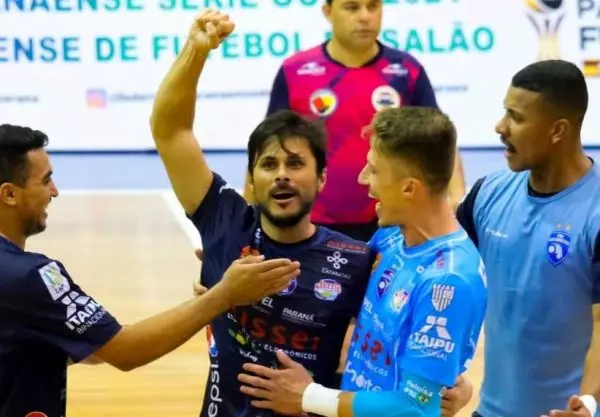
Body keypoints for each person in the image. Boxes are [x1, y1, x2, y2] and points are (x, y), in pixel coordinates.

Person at [149, 10, 375, 417]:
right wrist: (196, 53)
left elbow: (392, 354)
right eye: (269, 165)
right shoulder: (225, 222)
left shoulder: (358, 259)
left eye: (295, 163)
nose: (282, 175)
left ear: (321, 178)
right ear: (251, 180)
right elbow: (169, 130)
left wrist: (451, 390)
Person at [0, 124, 299, 417]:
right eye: (45, 181)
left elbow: (94, 346)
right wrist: (223, 296)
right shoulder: (29, 277)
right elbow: (125, 351)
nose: (54, 191)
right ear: (9, 194)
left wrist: (209, 300)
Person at [236, 106, 488, 417]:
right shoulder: (391, 238)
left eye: (374, 170)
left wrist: (309, 397)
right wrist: (228, 285)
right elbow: (326, 287)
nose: (363, 179)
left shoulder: (449, 281)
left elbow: (415, 407)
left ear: (409, 188)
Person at [445, 59, 600, 417]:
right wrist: (449, 375)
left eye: (516, 117)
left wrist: (589, 403)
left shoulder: (595, 213)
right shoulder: (486, 194)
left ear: (557, 130)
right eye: (505, 112)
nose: (501, 127)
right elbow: (449, 287)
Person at [241, 0, 466, 243]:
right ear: (328, 11)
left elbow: (438, 140)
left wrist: (457, 197)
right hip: (313, 226)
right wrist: (246, 223)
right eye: (352, 7)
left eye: (373, 6)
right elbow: (266, 146)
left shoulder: (406, 71)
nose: (364, 16)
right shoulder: (295, 71)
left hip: (390, 223)